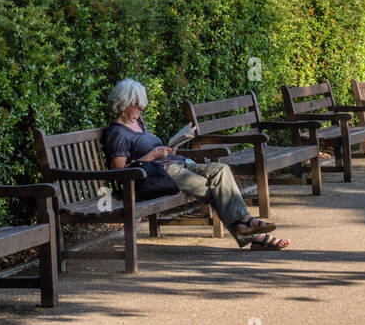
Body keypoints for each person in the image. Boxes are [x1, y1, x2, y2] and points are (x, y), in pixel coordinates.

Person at [101, 78, 290, 250]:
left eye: (142, 104)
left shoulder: (138, 123)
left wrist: (168, 149)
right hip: (159, 174)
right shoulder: (117, 133)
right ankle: (251, 230)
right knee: (212, 189)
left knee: (221, 170)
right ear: (123, 103)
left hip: (175, 164)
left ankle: (246, 224)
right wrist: (152, 155)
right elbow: (120, 170)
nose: (141, 109)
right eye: (137, 104)